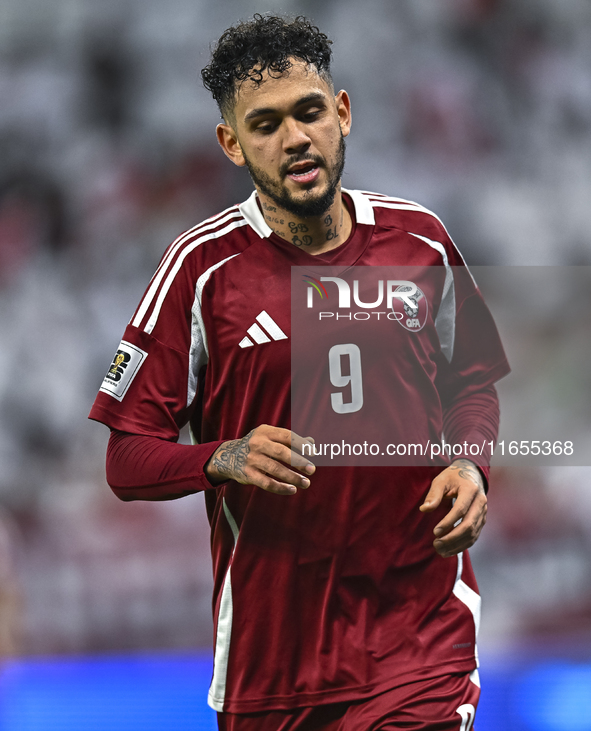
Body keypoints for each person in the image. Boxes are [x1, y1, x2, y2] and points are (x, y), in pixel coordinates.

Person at [89, 14, 509, 730]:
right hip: (273, 662)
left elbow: (471, 382)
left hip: (418, 637)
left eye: (309, 112)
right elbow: (125, 457)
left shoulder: (419, 239)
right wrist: (224, 455)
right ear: (231, 144)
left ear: (341, 113)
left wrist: (471, 466)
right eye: (265, 124)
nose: (294, 138)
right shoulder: (200, 270)